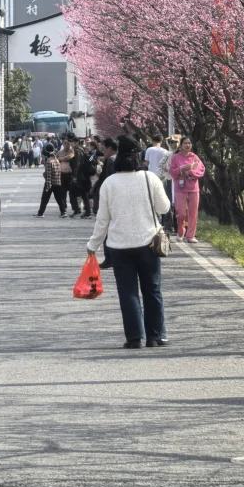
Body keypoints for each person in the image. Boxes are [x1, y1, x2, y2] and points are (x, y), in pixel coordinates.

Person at [86, 135, 170, 348]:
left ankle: (134, 338)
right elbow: (164, 208)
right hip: (148, 243)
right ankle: (155, 335)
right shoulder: (150, 178)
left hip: (119, 247)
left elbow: (102, 219)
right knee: (152, 289)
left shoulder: (109, 183)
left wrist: (93, 246)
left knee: (128, 292)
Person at [170, 138, 205, 242]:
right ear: (181, 145)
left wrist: (189, 172)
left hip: (193, 189)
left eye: (189, 143)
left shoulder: (195, 157)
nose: (187, 145)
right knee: (181, 213)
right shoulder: (175, 158)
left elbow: (201, 171)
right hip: (180, 189)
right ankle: (180, 232)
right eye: (185, 143)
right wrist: (181, 169)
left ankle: (191, 236)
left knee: (193, 213)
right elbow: (172, 172)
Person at [37, 143, 67, 216]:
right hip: (57, 181)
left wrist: (48, 185)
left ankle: (40, 213)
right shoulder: (56, 160)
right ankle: (63, 212)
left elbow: (49, 174)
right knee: (59, 199)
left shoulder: (49, 161)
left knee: (44, 199)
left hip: (50, 183)